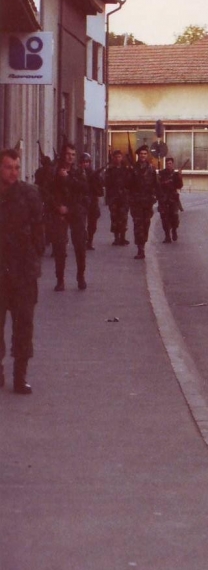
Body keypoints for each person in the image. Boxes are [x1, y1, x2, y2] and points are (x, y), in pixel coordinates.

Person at [0, 149, 46, 394]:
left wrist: (33, 255)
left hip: (24, 272)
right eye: (8, 167)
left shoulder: (29, 194)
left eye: (17, 167)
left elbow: (40, 229)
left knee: (23, 324)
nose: (14, 172)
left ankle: (20, 375)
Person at [46, 143, 90, 290]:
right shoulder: (54, 171)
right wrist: (57, 207)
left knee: (80, 246)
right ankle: (60, 280)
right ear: (62, 155)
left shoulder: (78, 172)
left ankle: (80, 276)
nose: (70, 157)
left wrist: (68, 178)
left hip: (76, 212)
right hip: (60, 213)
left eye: (73, 154)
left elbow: (84, 188)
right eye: (67, 154)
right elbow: (47, 192)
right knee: (59, 247)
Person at [128, 145, 159, 260]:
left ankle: (143, 244)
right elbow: (128, 185)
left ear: (147, 155)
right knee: (138, 226)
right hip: (136, 202)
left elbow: (156, 185)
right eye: (141, 154)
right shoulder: (132, 168)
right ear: (138, 155)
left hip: (147, 202)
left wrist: (157, 198)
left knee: (146, 225)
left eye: (145, 154)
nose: (143, 156)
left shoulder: (151, 169)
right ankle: (140, 249)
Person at [104, 149, 130, 246]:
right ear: (113, 158)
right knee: (114, 217)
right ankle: (116, 237)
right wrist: (108, 198)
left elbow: (129, 183)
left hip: (123, 198)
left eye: (119, 157)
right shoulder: (110, 170)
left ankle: (123, 237)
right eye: (116, 157)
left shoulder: (125, 169)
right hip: (113, 198)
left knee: (123, 217)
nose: (118, 159)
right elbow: (107, 184)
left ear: (122, 158)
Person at [157, 157, 183, 243]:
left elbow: (179, 186)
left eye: (170, 163)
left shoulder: (175, 174)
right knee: (164, 218)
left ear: (173, 164)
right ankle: (167, 236)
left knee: (174, 217)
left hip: (173, 199)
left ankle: (174, 230)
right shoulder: (162, 173)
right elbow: (158, 185)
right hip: (164, 199)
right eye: (167, 163)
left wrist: (179, 177)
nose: (169, 165)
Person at [81, 153, 103, 250]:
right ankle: (83, 240)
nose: (85, 164)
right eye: (83, 162)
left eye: (87, 162)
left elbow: (100, 190)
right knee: (81, 223)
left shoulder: (93, 174)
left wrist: (96, 180)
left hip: (92, 201)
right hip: (81, 201)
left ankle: (90, 240)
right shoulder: (77, 173)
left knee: (92, 223)